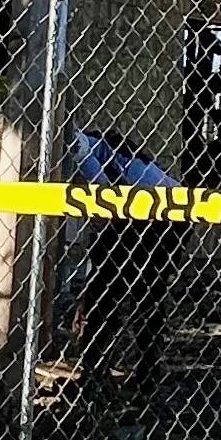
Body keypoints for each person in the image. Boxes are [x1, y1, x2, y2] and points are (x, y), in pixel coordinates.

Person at [61, 127, 182, 405]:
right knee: (134, 294)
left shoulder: (78, 148)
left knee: (117, 294)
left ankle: (104, 376)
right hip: (155, 211)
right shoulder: (93, 145)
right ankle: (125, 375)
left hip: (156, 216)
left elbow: (104, 202)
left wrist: (89, 277)